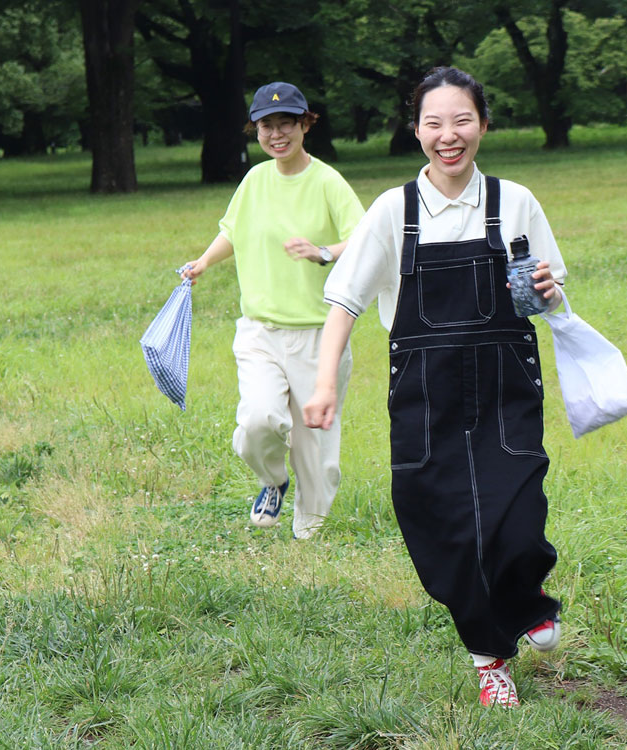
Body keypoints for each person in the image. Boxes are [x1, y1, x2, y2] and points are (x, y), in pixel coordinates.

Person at [303, 67, 566, 707]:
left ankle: (527, 597)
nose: (448, 136)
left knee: (519, 517)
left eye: (462, 120)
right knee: (440, 526)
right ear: (415, 128)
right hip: (425, 394)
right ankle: (489, 659)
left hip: (506, 389)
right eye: (434, 123)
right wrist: (324, 384)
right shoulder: (394, 210)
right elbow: (344, 300)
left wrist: (548, 292)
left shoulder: (516, 201)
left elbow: (546, 290)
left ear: (483, 124)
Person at [182, 81, 364, 539]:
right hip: (260, 329)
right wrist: (204, 261)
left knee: (315, 446)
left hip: (319, 335)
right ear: (255, 129)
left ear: (306, 125)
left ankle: (309, 535)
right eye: (267, 125)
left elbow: (364, 239)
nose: (277, 134)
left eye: (287, 123)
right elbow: (232, 230)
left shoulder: (326, 181)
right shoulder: (254, 181)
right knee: (258, 421)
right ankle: (272, 479)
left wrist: (322, 251)